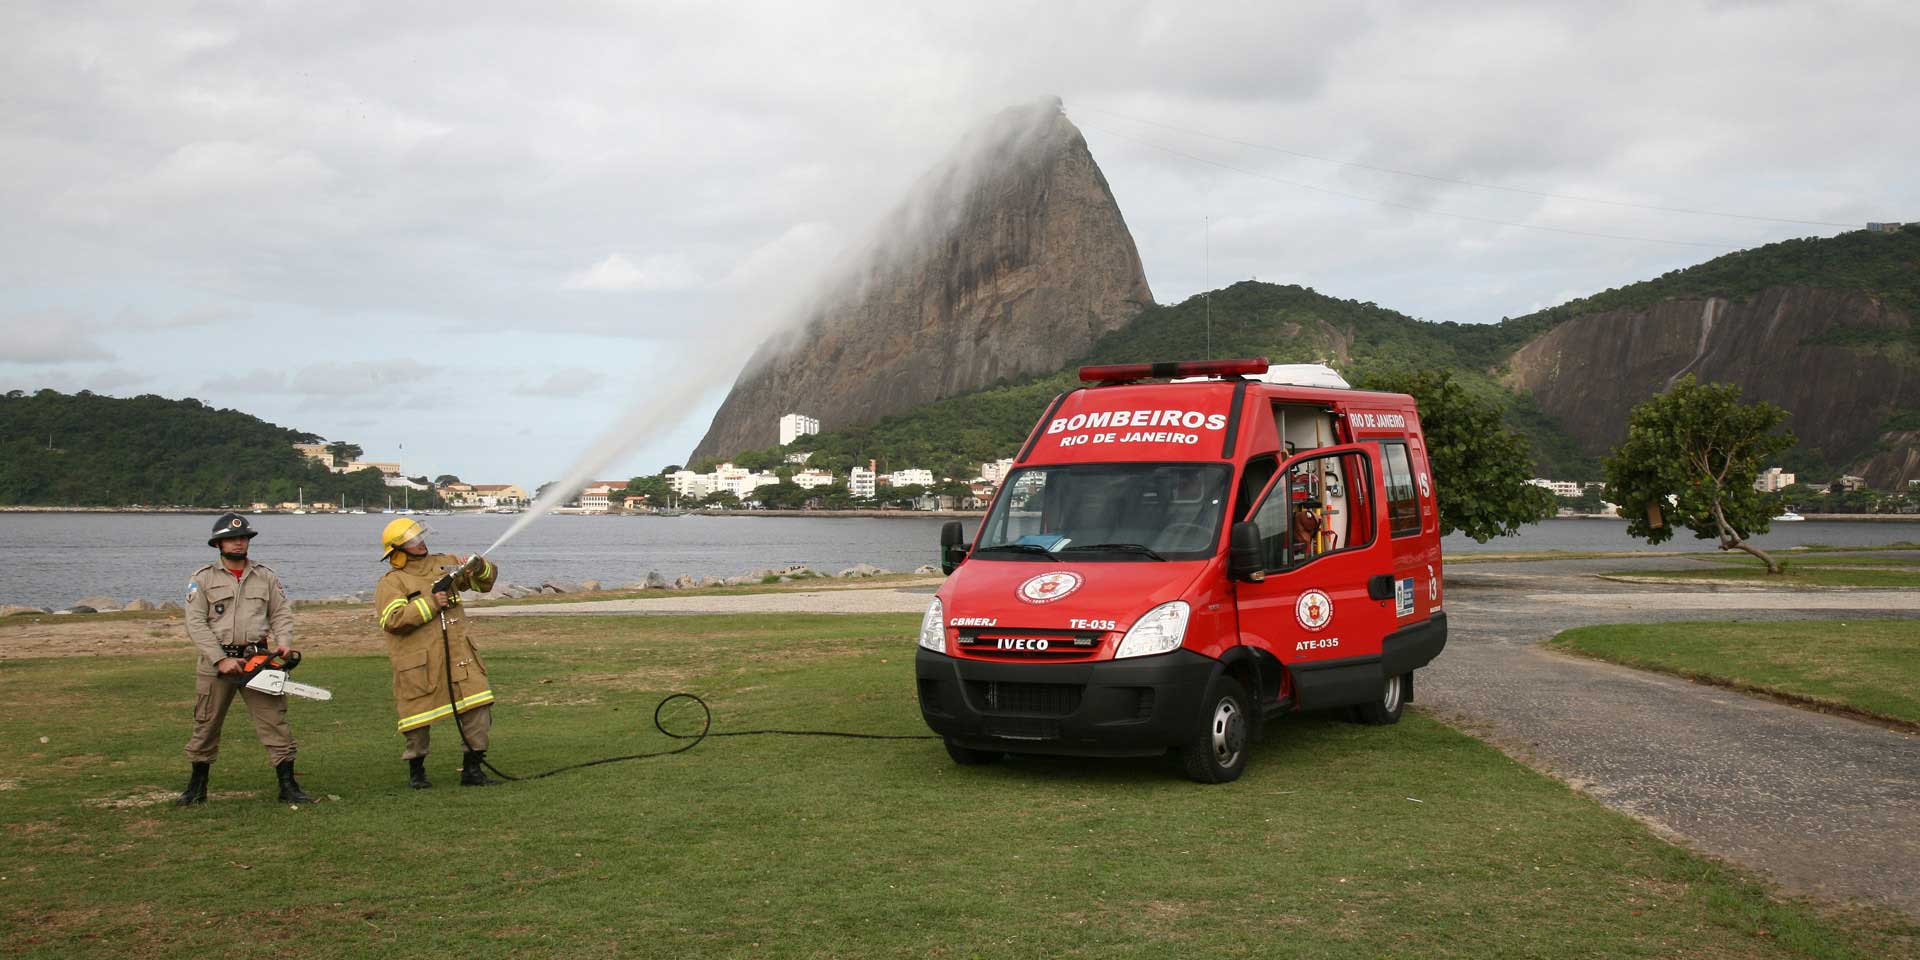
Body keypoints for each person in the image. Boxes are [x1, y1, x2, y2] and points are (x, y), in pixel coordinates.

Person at [178, 513, 315, 806]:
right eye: (231, 538)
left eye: (243, 538)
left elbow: (280, 613)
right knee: (206, 724)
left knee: (275, 721)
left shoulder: (266, 576)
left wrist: (284, 645)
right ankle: (196, 787)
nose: (238, 543)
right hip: (217, 665)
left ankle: (288, 786)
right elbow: (196, 624)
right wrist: (219, 659)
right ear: (218, 543)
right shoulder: (202, 579)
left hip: (258, 661)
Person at [373, 518, 500, 789]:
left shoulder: (446, 563)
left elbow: (484, 584)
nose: (420, 544)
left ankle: (473, 770)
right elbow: (392, 620)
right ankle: (417, 773)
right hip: (421, 664)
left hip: (460, 656)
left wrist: (480, 567)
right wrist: (431, 603)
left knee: (479, 707)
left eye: (419, 538)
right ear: (397, 550)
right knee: (417, 720)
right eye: (411, 541)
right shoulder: (393, 582)